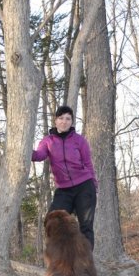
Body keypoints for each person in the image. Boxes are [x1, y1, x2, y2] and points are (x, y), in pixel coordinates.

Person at [32, 106, 98, 248]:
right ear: (55, 120)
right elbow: (39, 155)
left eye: (68, 119)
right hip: (64, 190)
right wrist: (25, 151)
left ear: (71, 121)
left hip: (84, 187)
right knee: (52, 221)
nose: (64, 121)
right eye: (61, 118)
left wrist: (94, 185)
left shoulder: (79, 140)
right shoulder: (48, 141)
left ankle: (85, 263)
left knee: (86, 227)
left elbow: (88, 163)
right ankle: (62, 259)